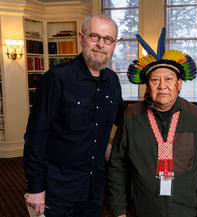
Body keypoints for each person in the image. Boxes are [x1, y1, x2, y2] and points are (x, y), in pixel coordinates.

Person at [107, 28, 197, 217]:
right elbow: (117, 167)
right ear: (147, 85)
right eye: (155, 80)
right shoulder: (131, 117)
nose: (162, 86)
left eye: (168, 79)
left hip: (187, 211)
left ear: (179, 84)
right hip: (142, 210)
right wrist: (119, 210)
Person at [23, 14, 124, 217]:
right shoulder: (56, 78)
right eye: (94, 36)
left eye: (108, 39)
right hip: (57, 190)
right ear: (82, 37)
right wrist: (35, 188)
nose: (100, 44)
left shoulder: (113, 81)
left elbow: (123, 123)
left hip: (94, 190)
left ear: (114, 44)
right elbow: (35, 137)